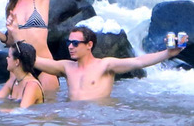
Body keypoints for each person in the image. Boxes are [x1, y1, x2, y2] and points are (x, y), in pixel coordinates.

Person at [34, 26, 182, 101]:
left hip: (97, 120)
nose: (70, 47)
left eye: (74, 43)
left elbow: (138, 62)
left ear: (89, 45)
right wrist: (15, 40)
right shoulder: (66, 67)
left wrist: (168, 53)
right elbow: (36, 61)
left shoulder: (105, 65)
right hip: (73, 119)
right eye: (69, 42)